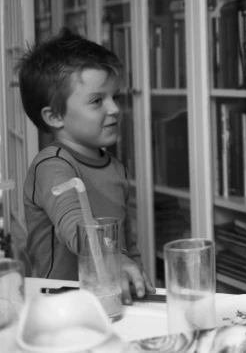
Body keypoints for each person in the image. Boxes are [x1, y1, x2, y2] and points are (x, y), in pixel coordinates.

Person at [16, 28, 155, 303]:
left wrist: (134, 272)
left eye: (115, 97)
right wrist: (115, 259)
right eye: (97, 101)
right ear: (55, 116)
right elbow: (75, 227)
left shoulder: (115, 167)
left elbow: (125, 244)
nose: (114, 108)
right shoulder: (52, 166)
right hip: (60, 305)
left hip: (111, 300)